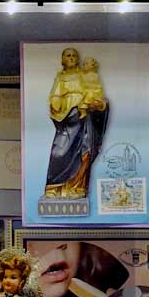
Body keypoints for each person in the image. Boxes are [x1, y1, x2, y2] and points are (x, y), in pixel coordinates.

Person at [43, 47, 109, 201]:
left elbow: (96, 94)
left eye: (74, 55)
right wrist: (56, 103)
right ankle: (54, 187)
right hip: (67, 119)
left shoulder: (85, 75)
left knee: (84, 153)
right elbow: (54, 97)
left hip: (84, 120)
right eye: (68, 55)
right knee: (59, 152)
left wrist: (98, 104)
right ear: (63, 60)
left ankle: (77, 187)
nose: (71, 57)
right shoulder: (60, 78)